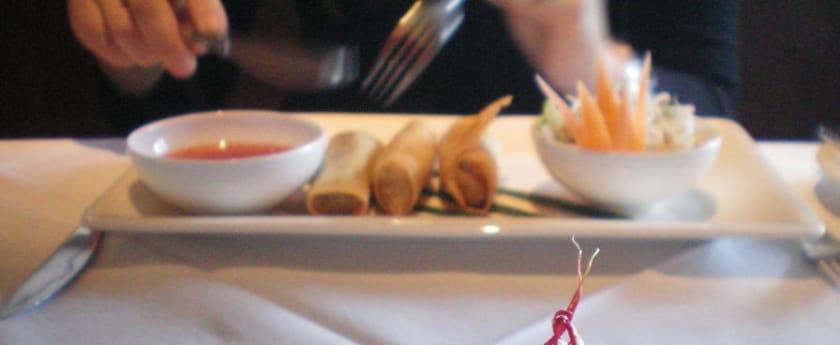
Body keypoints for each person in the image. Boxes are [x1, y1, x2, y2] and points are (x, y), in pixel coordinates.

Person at [67, 0, 740, 134]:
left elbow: (712, 110)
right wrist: (130, 41)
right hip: (269, 235)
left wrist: (586, 59)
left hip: (568, 253)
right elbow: (161, 107)